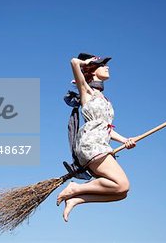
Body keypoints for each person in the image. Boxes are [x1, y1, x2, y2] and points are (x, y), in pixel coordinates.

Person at [57, 53, 137, 222]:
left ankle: (77, 198)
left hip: (101, 143)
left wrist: (125, 140)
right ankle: (75, 188)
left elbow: (105, 128)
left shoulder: (105, 99)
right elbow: (73, 62)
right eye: (102, 64)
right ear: (92, 70)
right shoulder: (87, 92)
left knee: (121, 193)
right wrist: (85, 62)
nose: (107, 67)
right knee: (122, 184)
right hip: (91, 144)